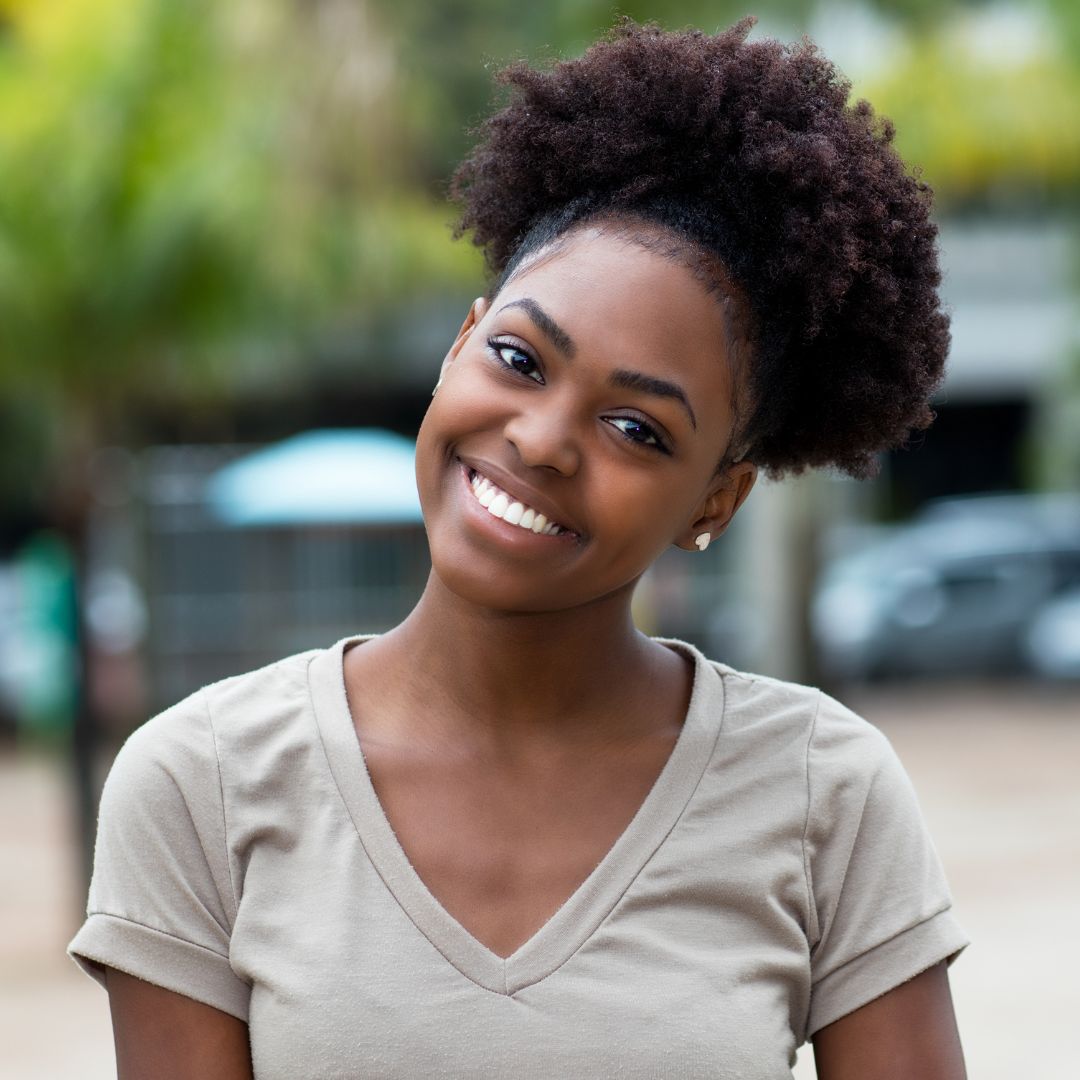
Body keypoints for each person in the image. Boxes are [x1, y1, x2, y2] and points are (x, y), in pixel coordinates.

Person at [70, 18, 968, 1079]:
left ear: (714, 501)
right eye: (519, 358)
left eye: (638, 429)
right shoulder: (203, 784)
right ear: (461, 343)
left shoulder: (825, 791)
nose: (541, 442)